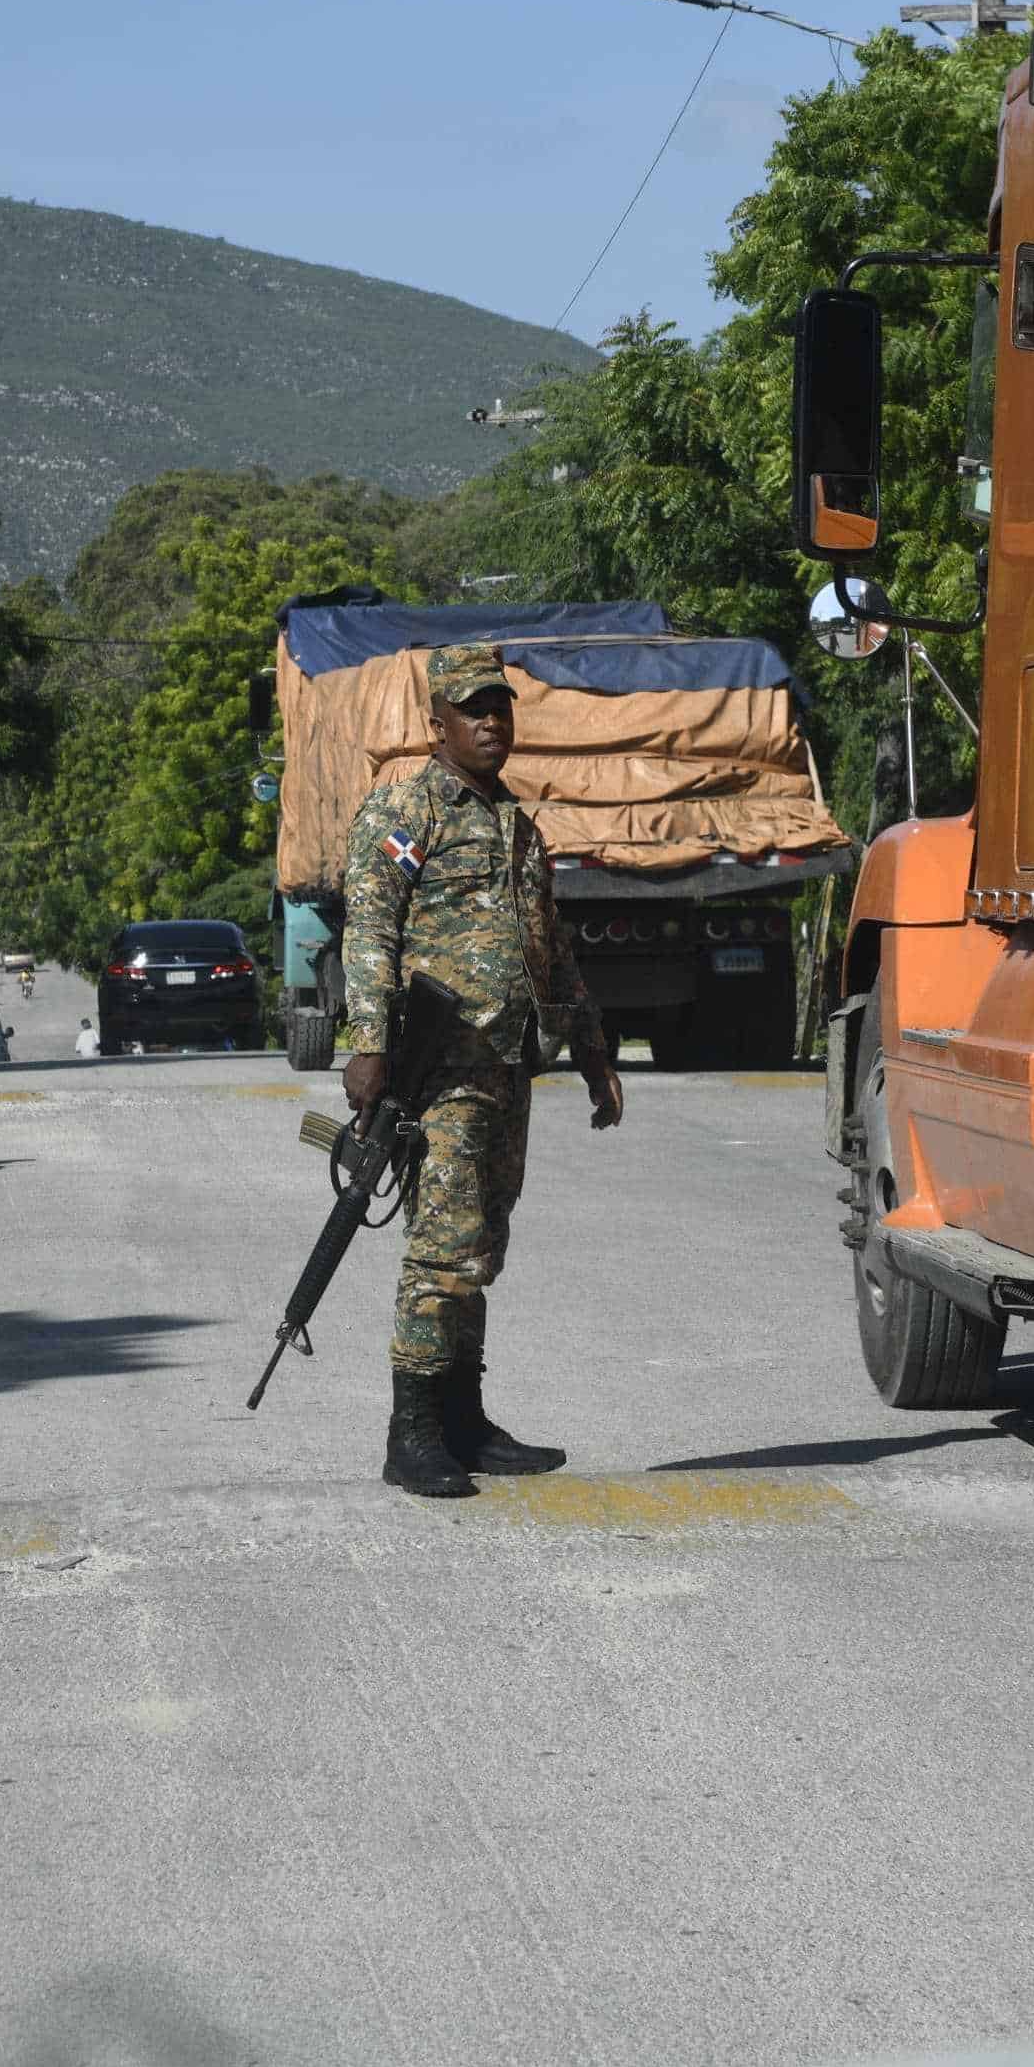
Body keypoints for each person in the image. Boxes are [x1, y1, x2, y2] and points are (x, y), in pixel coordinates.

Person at [336, 641, 625, 1499]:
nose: (493, 722)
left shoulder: (515, 824)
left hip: (507, 1066)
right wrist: (367, 1042)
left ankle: (465, 1419)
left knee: (481, 1247)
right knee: (440, 1249)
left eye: (500, 707)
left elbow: (553, 950)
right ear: (437, 723)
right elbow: (370, 928)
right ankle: (413, 1432)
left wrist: (593, 1050)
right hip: (439, 1071)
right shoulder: (404, 809)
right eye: (474, 709)